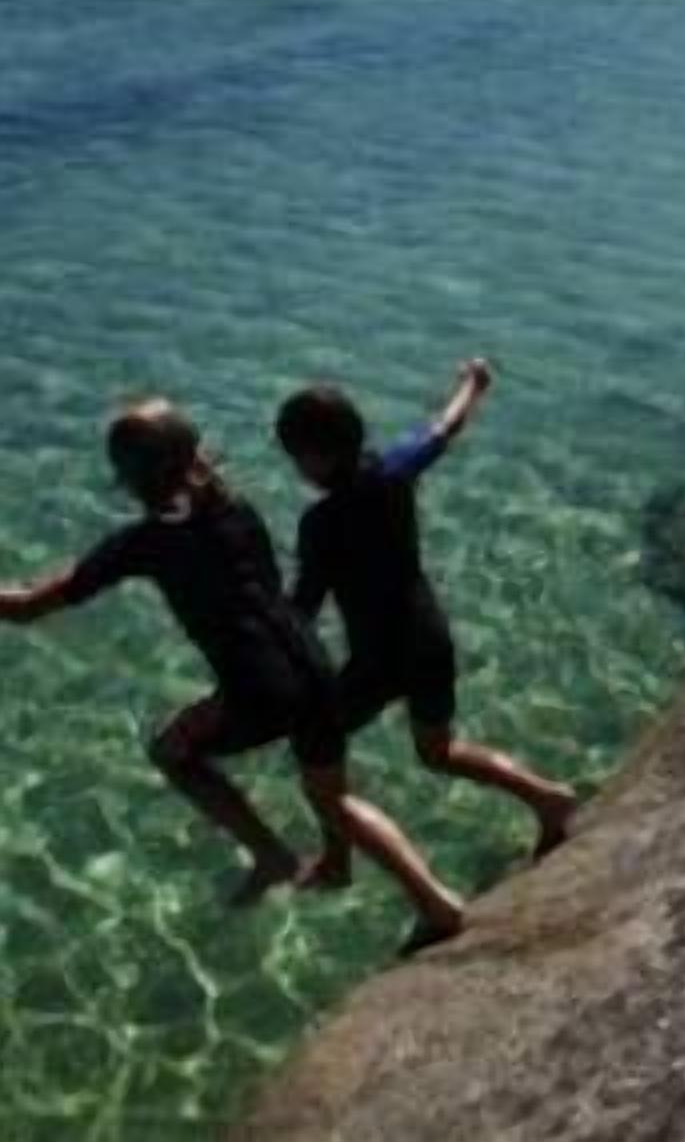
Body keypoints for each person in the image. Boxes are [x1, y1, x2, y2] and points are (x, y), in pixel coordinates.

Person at [0, 400, 467, 951]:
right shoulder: (238, 509)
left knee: (171, 750)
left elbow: (28, 607)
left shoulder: (142, 544)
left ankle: (270, 856)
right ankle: (430, 899)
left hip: (260, 687)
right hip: (313, 666)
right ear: (194, 454)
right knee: (334, 798)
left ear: (131, 481)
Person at [276, 359, 576, 862]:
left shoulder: (321, 524)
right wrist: (473, 383)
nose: (297, 469)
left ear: (317, 457)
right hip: (428, 638)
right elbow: (445, 426)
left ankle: (336, 857)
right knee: (439, 752)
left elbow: (304, 605)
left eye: (297, 458)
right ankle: (547, 797)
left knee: (316, 744)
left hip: (380, 660)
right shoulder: (394, 469)